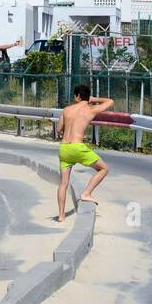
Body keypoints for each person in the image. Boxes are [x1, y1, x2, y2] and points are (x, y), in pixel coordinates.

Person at [54, 85, 114, 223]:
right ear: (88, 97)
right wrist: (93, 99)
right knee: (103, 169)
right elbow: (110, 101)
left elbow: (58, 130)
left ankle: (61, 216)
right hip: (78, 147)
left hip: (64, 148)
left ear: (77, 97)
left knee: (63, 184)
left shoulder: (67, 110)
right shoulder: (91, 109)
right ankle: (86, 193)